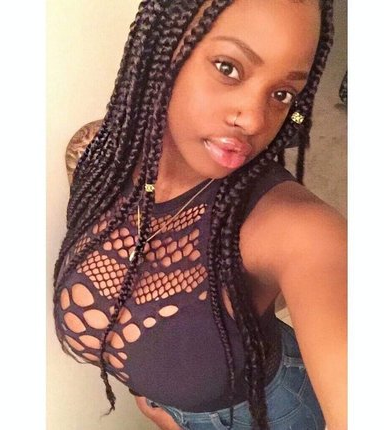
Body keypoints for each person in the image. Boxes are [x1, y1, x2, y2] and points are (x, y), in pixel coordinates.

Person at [52, 0, 346, 429]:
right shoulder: (96, 157)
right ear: (164, 47)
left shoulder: (300, 230)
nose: (253, 119)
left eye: (282, 94)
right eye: (229, 68)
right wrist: (159, 403)